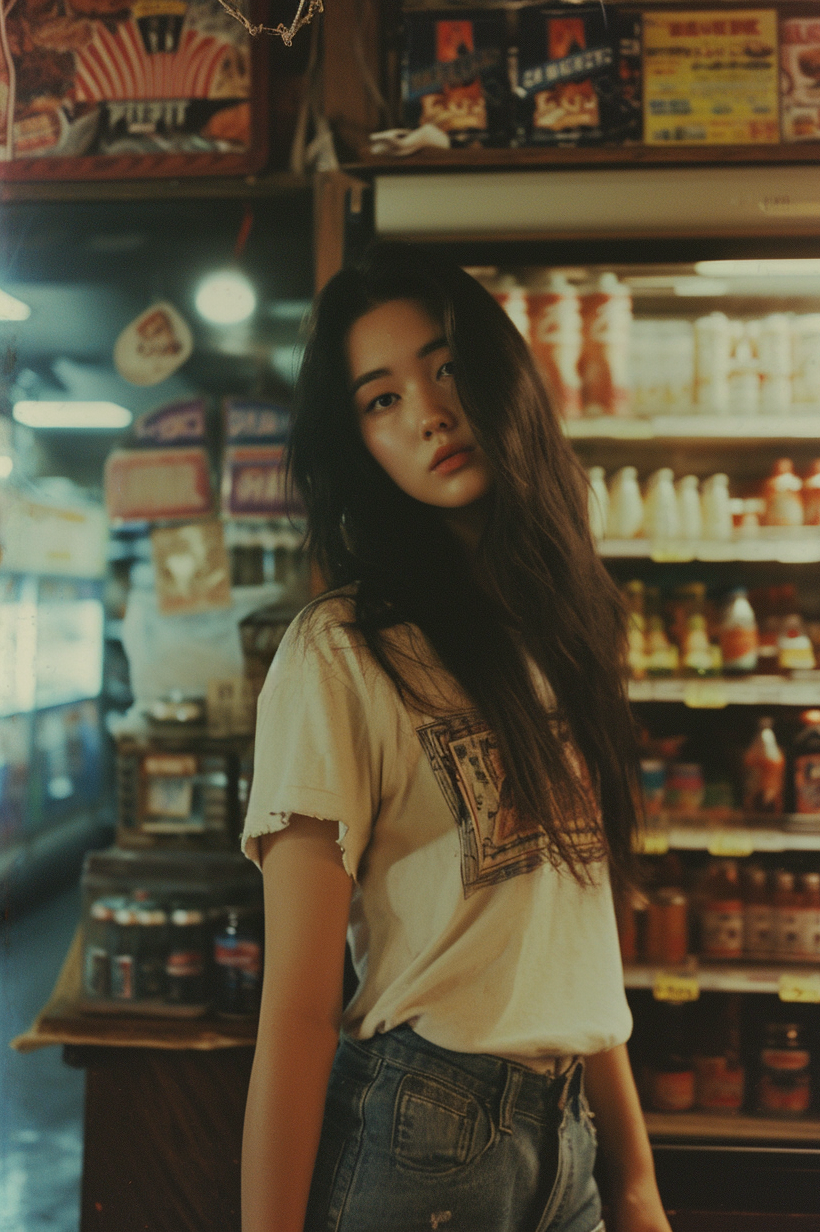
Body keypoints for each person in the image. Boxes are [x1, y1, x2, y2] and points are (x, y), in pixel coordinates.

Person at [240, 242, 671, 1232]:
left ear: (498, 375)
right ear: (357, 443)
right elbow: (299, 1007)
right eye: (379, 398)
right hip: (422, 1143)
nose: (428, 411)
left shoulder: (562, 628)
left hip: (569, 1141)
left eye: (442, 367)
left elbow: (568, 931)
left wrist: (636, 1176)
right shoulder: (343, 652)